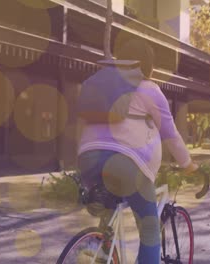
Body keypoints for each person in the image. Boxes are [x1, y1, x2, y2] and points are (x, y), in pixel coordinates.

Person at [77, 39, 198, 263]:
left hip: (88, 159)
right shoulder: (149, 89)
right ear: (148, 66)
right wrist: (188, 165)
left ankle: (101, 251)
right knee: (150, 232)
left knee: (108, 225)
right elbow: (170, 133)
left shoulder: (100, 84)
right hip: (129, 165)